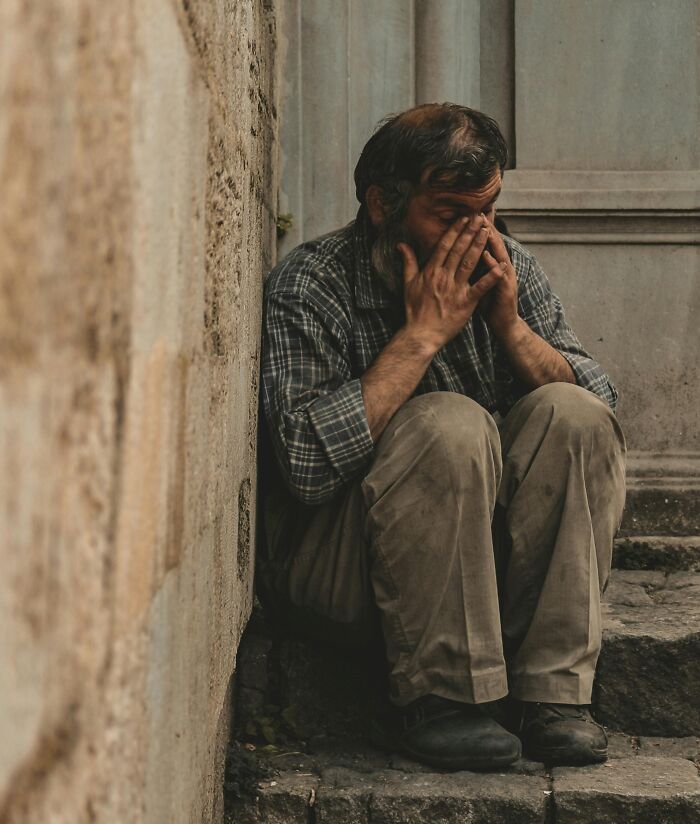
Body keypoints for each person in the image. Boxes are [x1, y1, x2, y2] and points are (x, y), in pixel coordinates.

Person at [258, 103, 626, 770]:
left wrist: (512, 329)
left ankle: (552, 695)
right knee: (448, 422)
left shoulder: (506, 262)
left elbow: (602, 411)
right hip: (342, 568)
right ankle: (445, 698)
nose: (477, 232)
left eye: (488, 209)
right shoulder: (312, 283)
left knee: (572, 413)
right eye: (452, 213)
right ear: (382, 205)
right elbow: (306, 469)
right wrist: (421, 337)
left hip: (484, 568)